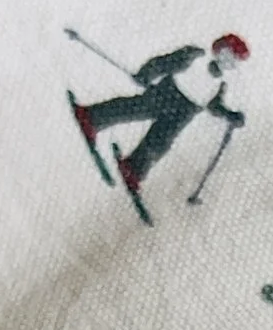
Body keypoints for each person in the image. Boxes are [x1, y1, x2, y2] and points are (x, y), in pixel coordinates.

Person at [72, 36, 246, 207]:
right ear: (219, 48)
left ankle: (134, 169)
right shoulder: (198, 55)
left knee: (160, 141)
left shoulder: (220, 83)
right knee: (135, 108)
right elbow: (167, 62)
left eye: (233, 61)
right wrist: (147, 73)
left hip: (186, 111)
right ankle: (92, 117)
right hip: (168, 92)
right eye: (227, 55)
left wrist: (229, 114)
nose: (227, 62)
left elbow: (213, 105)